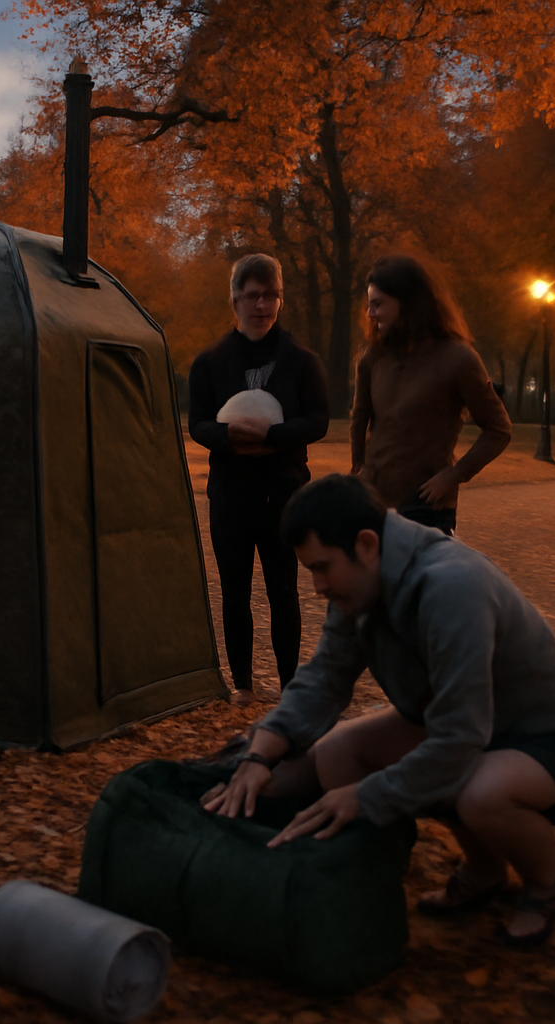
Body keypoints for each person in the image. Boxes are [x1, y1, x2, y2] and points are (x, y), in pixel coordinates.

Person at [203, 475, 555, 946]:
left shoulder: (451, 587)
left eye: (323, 568)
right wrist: (258, 755)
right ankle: (485, 871)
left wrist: (366, 796)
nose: (317, 586)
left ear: (366, 544)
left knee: (482, 793)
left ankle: (548, 883)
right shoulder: (358, 582)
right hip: (477, 730)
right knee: (339, 753)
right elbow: (323, 680)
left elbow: (460, 738)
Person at [188, 254, 329, 707]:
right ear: (236, 300)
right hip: (230, 494)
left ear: (280, 300)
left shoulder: (304, 362)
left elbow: (318, 420)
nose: (262, 304)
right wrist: (229, 438)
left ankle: (290, 685)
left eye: (271, 295)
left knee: (283, 590)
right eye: (253, 295)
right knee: (234, 591)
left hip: (284, 492)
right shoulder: (209, 362)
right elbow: (198, 424)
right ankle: (244, 685)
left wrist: (273, 437)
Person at [351, 254, 511, 535]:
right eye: (369, 304)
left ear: (407, 304)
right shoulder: (372, 358)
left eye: (378, 304)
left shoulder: (458, 359)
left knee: (417, 580)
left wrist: (455, 474)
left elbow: (499, 429)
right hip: (373, 502)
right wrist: (358, 467)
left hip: (426, 506)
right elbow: (360, 416)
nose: (370, 314)